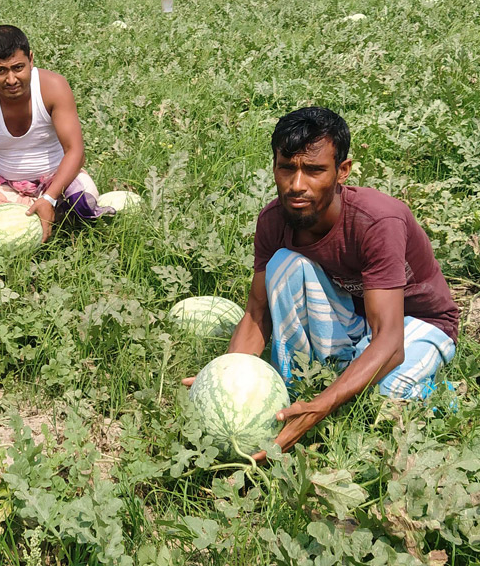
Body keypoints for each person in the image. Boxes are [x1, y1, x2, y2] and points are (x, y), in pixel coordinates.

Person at [183, 107, 460, 459]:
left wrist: (321, 406)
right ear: (274, 167)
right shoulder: (274, 221)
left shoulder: (377, 221)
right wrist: (222, 380)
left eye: (314, 171)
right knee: (283, 263)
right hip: (352, 318)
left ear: (342, 171)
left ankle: (438, 394)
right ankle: (313, 383)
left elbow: (390, 341)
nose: (297, 185)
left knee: (378, 401)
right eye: (287, 168)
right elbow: (256, 312)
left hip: (414, 323)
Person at [0, 25, 113, 244]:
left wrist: (48, 197)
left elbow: (75, 151)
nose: (11, 80)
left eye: (18, 68)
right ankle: (39, 217)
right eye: (0, 70)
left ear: (31, 60)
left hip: (57, 182)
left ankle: (41, 213)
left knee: (82, 200)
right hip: (7, 186)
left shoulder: (53, 87)